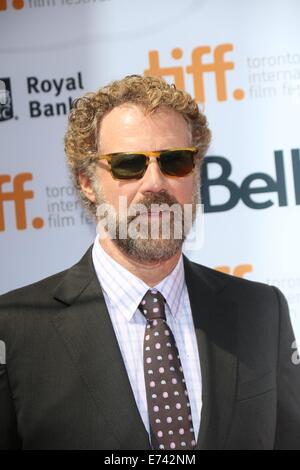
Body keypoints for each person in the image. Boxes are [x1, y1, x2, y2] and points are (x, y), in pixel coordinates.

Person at [0, 75, 299, 450]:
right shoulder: (14, 329)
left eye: (175, 161)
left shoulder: (261, 311)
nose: (155, 183)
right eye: (129, 164)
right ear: (88, 183)